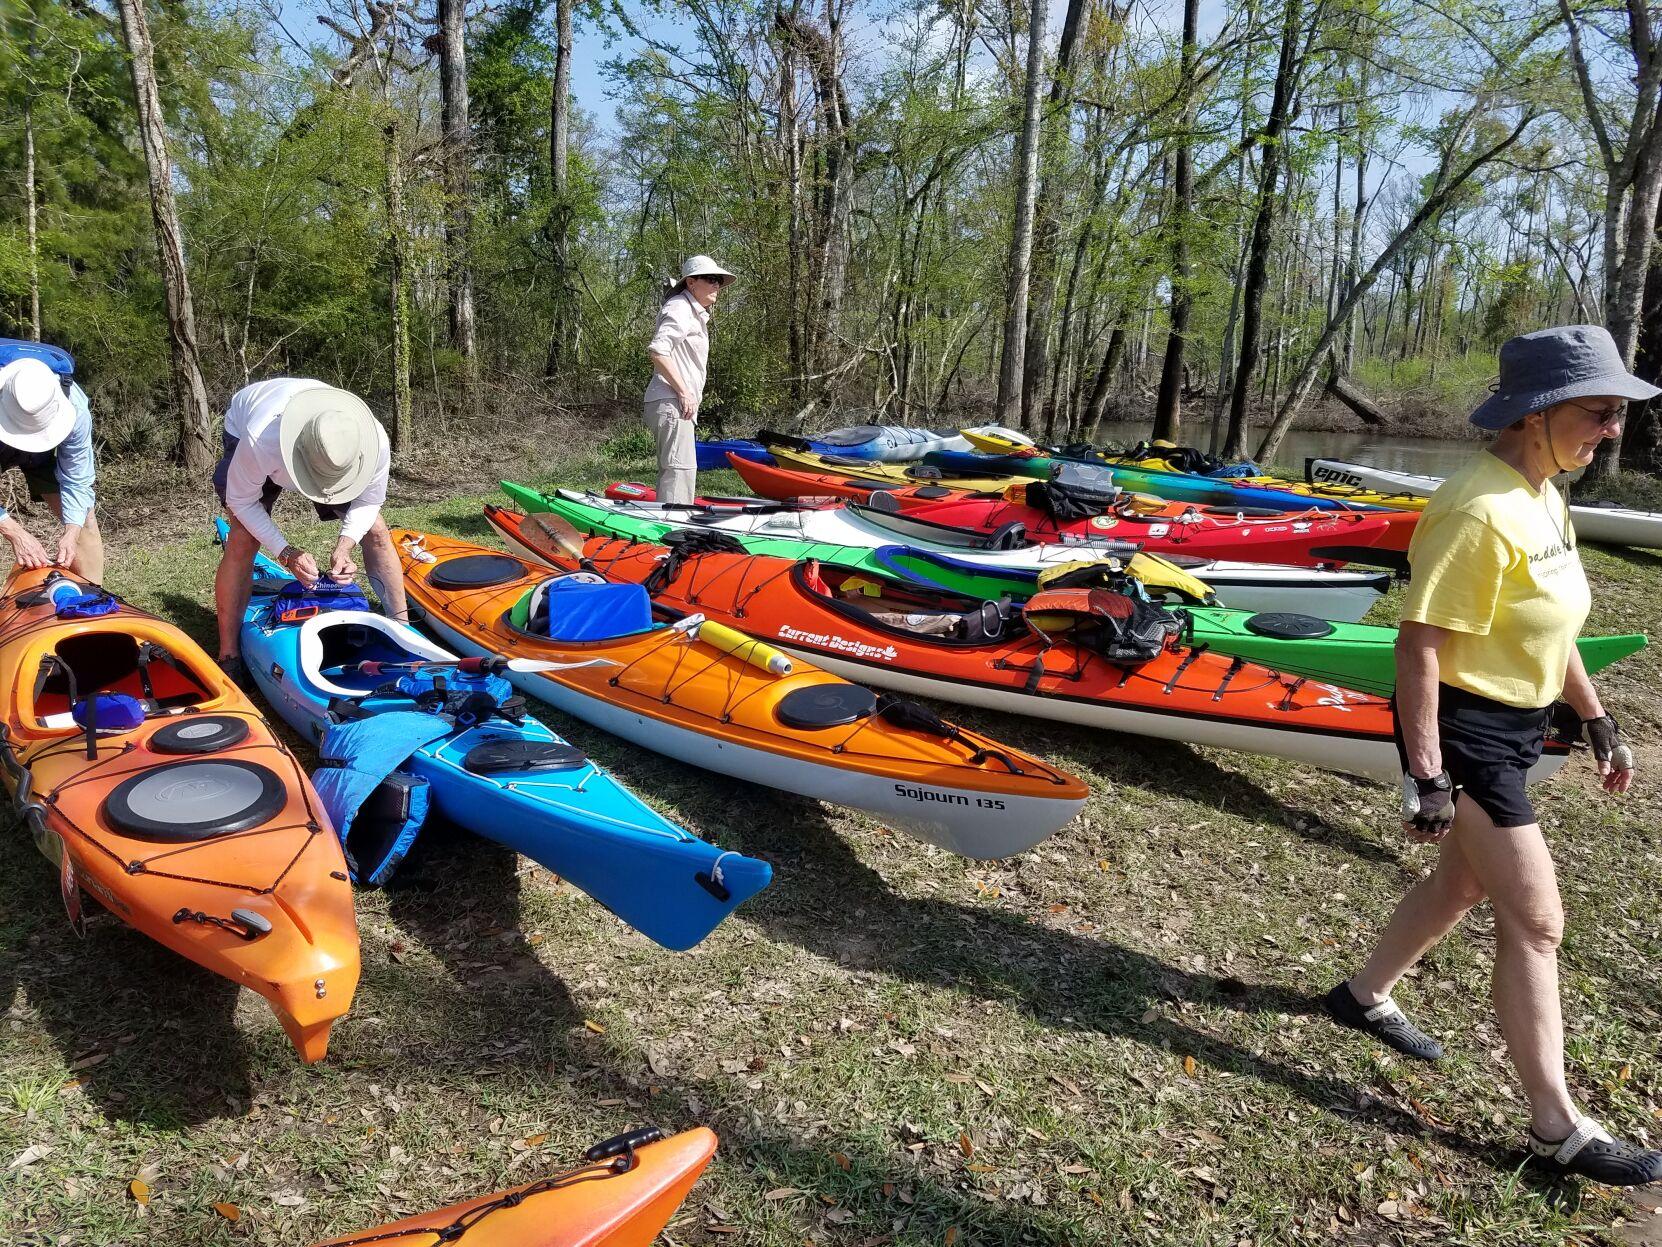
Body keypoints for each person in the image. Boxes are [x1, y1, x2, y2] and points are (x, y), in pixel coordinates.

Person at [1324, 325, 1662, 1185]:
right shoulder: (1478, 509)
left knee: (1465, 882)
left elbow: (1551, 621)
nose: (1613, 428)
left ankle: (1359, 997)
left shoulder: (1544, 492)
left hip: (1517, 720)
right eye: (1600, 412)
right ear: (1540, 412)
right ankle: (1556, 1123)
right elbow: (1418, 651)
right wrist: (1429, 774)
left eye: (1618, 412)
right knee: (1538, 919)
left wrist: (1594, 717)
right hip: (1465, 727)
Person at [213, 378, 406, 684]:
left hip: (319, 448)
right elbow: (242, 501)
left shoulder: (374, 441)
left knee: (378, 531)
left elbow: (370, 502)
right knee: (243, 537)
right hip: (249, 423)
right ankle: (228, 655)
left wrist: (345, 545)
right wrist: (286, 552)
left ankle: (402, 628)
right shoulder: (261, 440)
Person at [0, 355, 103, 582]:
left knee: (83, 520)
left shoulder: (74, 407)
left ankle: (93, 601)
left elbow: (77, 481)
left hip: (42, 456)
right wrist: (14, 531)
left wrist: (71, 532)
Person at [644, 255, 735, 505]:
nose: (717, 285)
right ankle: (675, 532)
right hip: (672, 400)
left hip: (674, 402)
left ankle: (669, 524)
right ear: (692, 282)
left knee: (676, 470)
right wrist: (684, 391)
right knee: (679, 471)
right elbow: (658, 350)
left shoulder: (692, 312)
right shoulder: (680, 307)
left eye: (719, 280)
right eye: (711, 279)